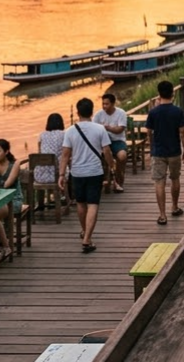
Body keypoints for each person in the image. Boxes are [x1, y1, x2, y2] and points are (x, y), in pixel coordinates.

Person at [59, 98, 115, 253]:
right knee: (93, 204)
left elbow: (65, 155)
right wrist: (112, 165)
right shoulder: (99, 129)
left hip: (77, 173)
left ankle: (85, 232)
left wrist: (61, 175)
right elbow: (107, 151)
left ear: (77, 112)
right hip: (94, 172)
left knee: (81, 203)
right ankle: (87, 238)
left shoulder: (70, 131)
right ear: (92, 112)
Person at [146, 80, 184, 226]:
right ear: (172, 93)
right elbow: (182, 131)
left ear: (159, 94)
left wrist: (152, 148)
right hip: (174, 151)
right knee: (175, 178)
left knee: (159, 182)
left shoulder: (153, 112)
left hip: (158, 151)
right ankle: (175, 207)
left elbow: (149, 132)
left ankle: (162, 215)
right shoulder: (177, 111)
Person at [93, 93, 129, 193]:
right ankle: (106, 180)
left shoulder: (121, 113)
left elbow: (120, 129)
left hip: (117, 140)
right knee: (100, 158)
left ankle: (119, 178)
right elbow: (94, 129)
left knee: (122, 156)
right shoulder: (98, 114)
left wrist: (107, 127)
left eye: (107, 104)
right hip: (103, 142)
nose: (104, 106)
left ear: (113, 104)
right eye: (103, 104)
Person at [35, 113, 65, 210]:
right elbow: (67, 154)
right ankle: (65, 196)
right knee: (68, 169)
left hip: (40, 176)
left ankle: (40, 205)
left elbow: (39, 153)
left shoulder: (42, 135)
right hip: (57, 175)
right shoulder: (64, 134)